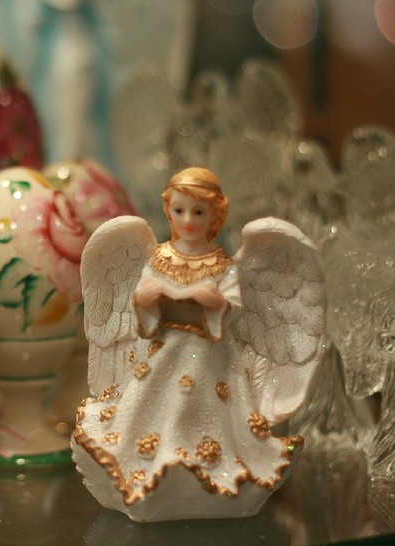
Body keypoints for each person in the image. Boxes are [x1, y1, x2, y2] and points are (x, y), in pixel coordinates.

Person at [72, 167, 323, 521]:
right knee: (152, 408)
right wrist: (145, 300)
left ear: (215, 214)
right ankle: (147, 469)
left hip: (210, 358)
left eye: (199, 212)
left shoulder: (223, 266)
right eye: (179, 210)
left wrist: (215, 303)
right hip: (162, 354)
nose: (188, 220)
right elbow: (143, 312)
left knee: (204, 409)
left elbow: (233, 309)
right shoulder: (158, 259)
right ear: (168, 210)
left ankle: (212, 467)